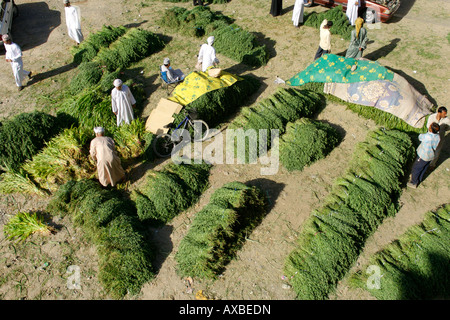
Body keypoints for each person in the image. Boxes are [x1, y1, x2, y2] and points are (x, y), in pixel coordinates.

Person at [408, 122, 440, 188]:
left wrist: (425, 133)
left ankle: (414, 182)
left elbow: (420, 137)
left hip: (423, 156)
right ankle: (419, 179)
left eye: (430, 126)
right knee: (424, 168)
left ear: (431, 129)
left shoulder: (427, 136)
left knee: (416, 168)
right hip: (430, 156)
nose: (429, 127)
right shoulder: (438, 136)